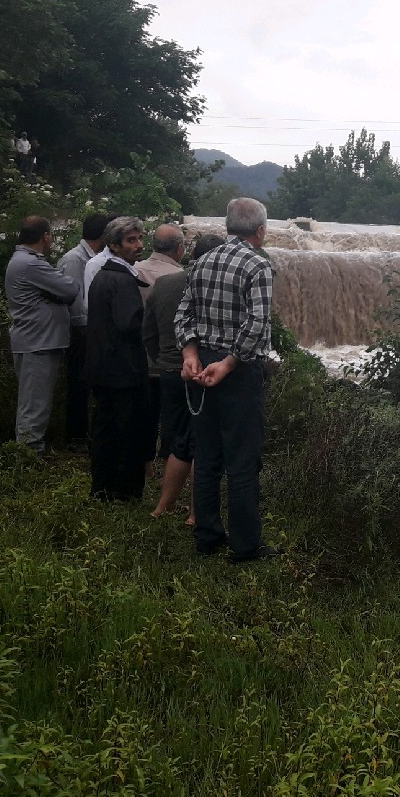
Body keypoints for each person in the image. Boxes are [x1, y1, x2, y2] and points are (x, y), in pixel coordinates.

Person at [174, 198, 280, 562]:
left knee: (206, 456)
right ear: (261, 230)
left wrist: (190, 355)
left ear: (229, 226)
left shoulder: (202, 261)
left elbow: (183, 314)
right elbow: (256, 325)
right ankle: (245, 546)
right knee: (242, 461)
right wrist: (231, 363)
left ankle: (207, 537)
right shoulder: (258, 265)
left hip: (200, 367)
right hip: (237, 373)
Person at [145, 234, 224, 521]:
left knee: (178, 440)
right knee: (201, 442)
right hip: (206, 373)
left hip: (169, 370)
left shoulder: (165, 284)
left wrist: (164, 360)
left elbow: (148, 331)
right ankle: (195, 513)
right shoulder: (217, 287)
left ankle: (163, 506)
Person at [4, 216, 79, 456]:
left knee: (34, 399)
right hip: (37, 341)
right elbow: (70, 288)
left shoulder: (24, 261)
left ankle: (30, 448)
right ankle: (29, 454)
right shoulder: (30, 264)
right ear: (45, 236)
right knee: (34, 402)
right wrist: (56, 294)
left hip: (36, 339)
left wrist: (52, 294)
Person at [84, 217, 148, 501]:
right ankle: (123, 492)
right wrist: (152, 325)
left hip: (102, 366)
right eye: (131, 241)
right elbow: (129, 325)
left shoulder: (103, 275)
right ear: (113, 245)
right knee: (126, 431)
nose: (139, 245)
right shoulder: (121, 280)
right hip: (122, 369)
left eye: (140, 239)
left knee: (105, 429)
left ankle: (101, 487)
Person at [56, 213, 113, 453]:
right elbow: (75, 301)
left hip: (89, 332)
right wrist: (86, 332)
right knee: (79, 385)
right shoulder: (75, 259)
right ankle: (75, 437)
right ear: (104, 236)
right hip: (80, 333)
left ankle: (86, 433)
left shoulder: (92, 257)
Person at [135, 224, 187, 478]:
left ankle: (144, 468)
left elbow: (144, 326)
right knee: (173, 420)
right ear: (179, 249)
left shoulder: (134, 270)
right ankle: (171, 471)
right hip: (173, 361)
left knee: (144, 416)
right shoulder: (180, 278)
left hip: (139, 358)